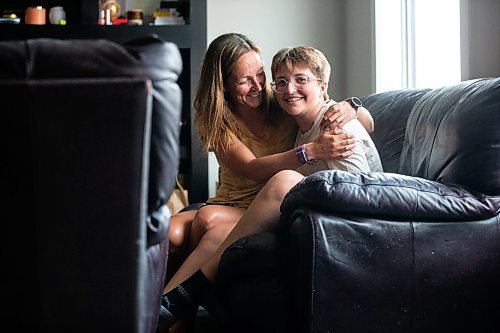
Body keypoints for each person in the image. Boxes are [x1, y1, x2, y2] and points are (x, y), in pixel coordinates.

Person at [158, 45, 383, 330]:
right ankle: (161, 314)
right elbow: (252, 168)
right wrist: (309, 151)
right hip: (241, 203)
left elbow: (358, 183)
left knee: (214, 218)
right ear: (225, 86)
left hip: (287, 206)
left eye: (260, 75)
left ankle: (170, 308)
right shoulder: (238, 117)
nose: (261, 86)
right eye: (243, 80)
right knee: (169, 232)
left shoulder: (318, 119)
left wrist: (353, 105)